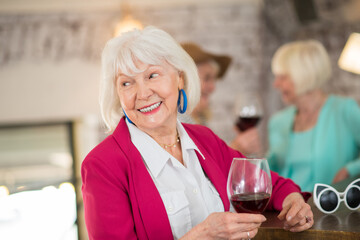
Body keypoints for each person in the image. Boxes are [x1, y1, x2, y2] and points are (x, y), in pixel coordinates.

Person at [81, 26, 314, 240]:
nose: (142, 93)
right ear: (117, 93)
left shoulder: (203, 139)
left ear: (179, 79)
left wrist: (293, 201)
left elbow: (268, 184)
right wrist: (203, 235)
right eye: (126, 83)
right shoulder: (103, 166)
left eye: (152, 75)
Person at [267, 39, 360, 192]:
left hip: (330, 212)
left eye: (283, 77)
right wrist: (248, 153)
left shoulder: (343, 110)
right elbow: (271, 172)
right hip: (287, 212)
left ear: (303, 75)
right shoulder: (278, 122)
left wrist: (349, 170)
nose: (275, 84)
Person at [181, 43, 262, 156]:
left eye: (214, 80)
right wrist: (236, 149)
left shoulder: (201, 121)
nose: (213, 87)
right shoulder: (179, 123)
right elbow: (200, 168)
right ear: (184, 79)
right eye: (207, 78)